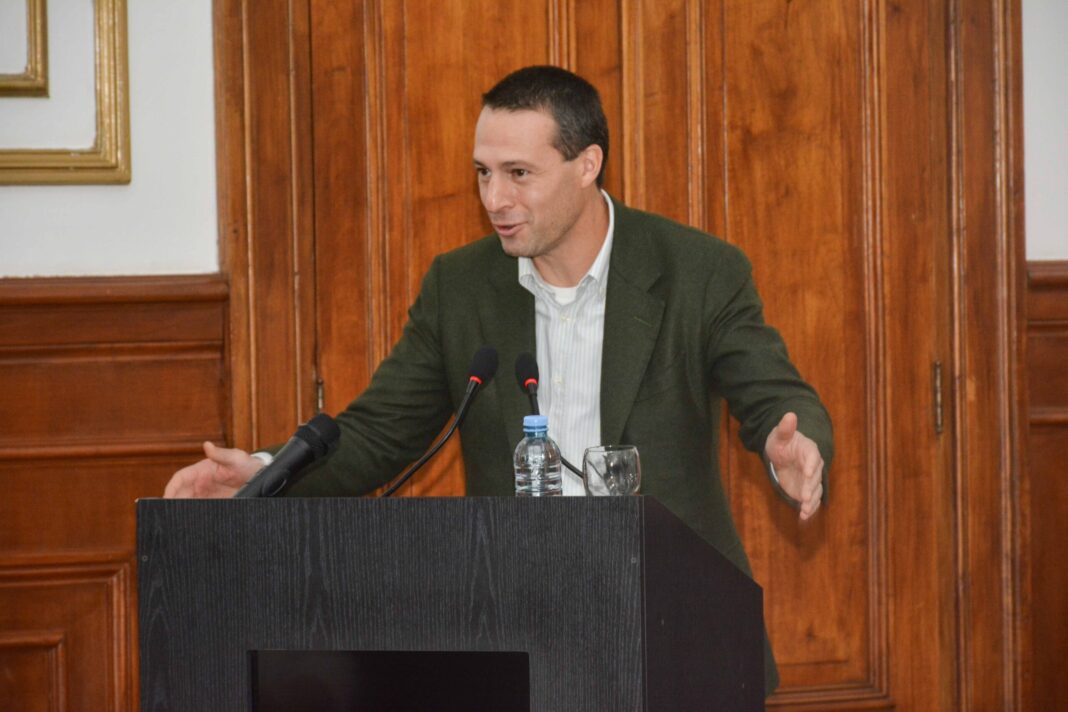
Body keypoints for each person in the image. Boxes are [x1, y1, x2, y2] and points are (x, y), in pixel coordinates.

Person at [165, 65, 832, 694]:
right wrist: (263, 473)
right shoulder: (460, 288)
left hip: (673, 629)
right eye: (483, 173)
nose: (494, 198)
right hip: (517, 630)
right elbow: (376, 435)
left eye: (518, 173)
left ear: (587, 165)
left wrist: (790, 446)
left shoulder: (697, 271)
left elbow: (771, 392)